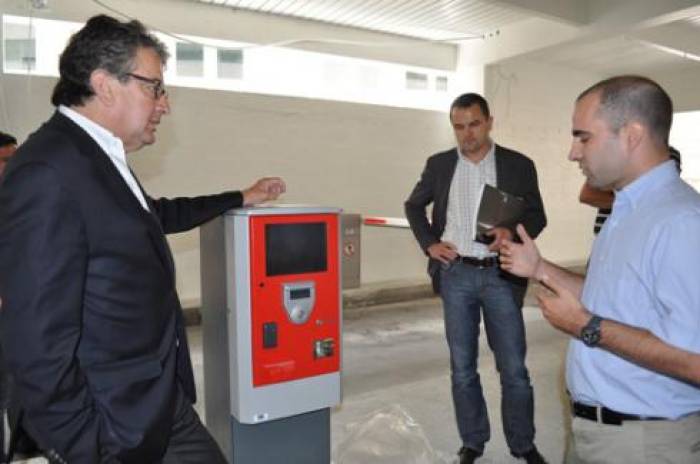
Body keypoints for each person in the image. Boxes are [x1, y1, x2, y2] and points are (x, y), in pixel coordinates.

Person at [0, 15, 285, 464]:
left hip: (152, 398)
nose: (164, 104)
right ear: (105, 84)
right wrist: (86, 444)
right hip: (111, 420)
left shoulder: (95, 154)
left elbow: (150, 217)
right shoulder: (49, 172)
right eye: (154, 87)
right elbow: (36, 337)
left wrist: (240, 197)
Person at [500, 75, 700, 464]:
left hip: (645, 444)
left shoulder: (681, 222)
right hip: (597, 432)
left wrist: (586, 327)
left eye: (584, 137)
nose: (573, 153)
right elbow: (609, 294)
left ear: (632, 135)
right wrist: (540, 268)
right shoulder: (626, 209)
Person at [404, 93, 547, 464]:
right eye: (459, 126)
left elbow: (537, 216)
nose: (467, 134)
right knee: (463, 367)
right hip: (456, 275)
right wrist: (430, 244)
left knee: (513, 368)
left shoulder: (518, 165)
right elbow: (413, 205)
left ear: (489, 121)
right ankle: (472, 442)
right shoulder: (439, 165)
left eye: (474, 124)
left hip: (500, 274)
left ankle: (523, 444)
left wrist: (510, 234)